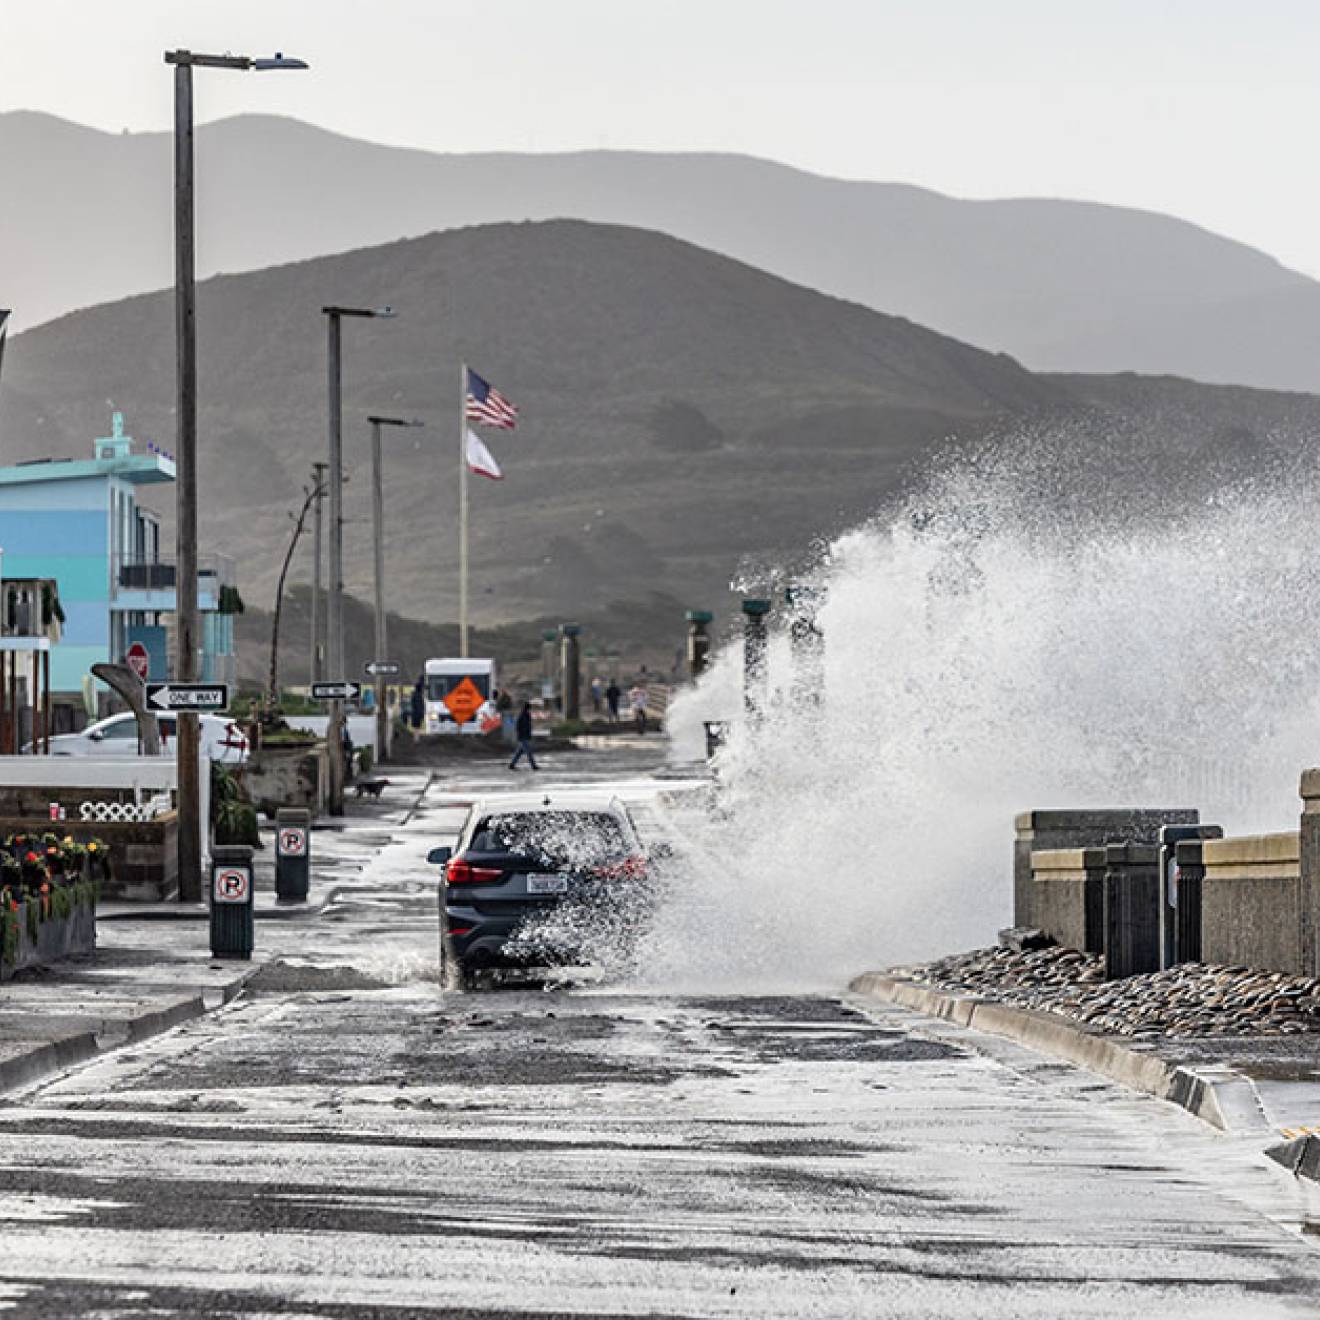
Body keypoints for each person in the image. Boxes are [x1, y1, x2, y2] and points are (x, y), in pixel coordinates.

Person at [508, 701, 539, 771]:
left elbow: (528, 727)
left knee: (519, 752)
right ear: (527, 708)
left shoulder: (527, 715)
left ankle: (512, 765)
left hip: (525, 736)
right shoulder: (522, 716)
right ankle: (533, 766)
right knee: (529, 752)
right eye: (530, 708)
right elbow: (518, 727)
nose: (530, 710)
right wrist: (520, 735)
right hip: (523, 737)